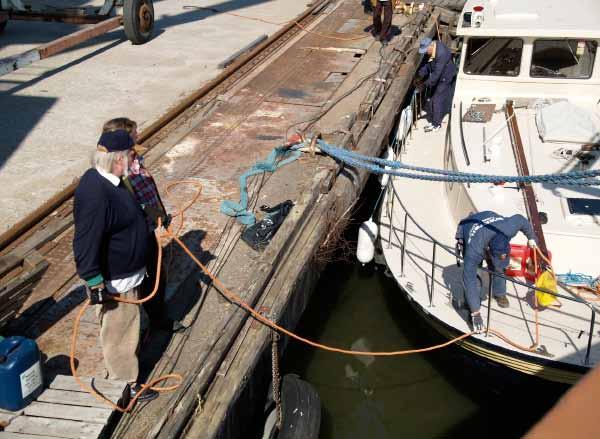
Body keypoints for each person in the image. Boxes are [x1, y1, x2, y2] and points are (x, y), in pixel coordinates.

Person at [73, 129, 158, 402]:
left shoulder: (112, 180)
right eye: (131, 155)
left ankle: (125, 375)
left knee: (126, 329)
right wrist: (94, 281)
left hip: (129, 272)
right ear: (118, 158)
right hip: (117, 281)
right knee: (119, 333)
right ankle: (125, 386)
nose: (135, 160)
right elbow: (85, 243)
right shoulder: (96, 193)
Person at [101, 118, 185, 334]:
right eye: (134, 138)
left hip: (147, 230)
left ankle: (158, 318)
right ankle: (143, 326)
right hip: (132, 239)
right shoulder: (114, 175)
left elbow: (146, 191)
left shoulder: (135, 162)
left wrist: (159, 214)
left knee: (156, 275)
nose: (138, 139)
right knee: (137, 285)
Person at [455, 211, 537, 333]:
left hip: (490, 225)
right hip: (470, 227)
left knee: (499, 268)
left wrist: (531, 237)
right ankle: (471, 304)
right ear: (488, 250)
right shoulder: (474, 249)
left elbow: (521, 220)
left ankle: (500, 294)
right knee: (475, 275)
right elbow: (469, 279)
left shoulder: (509, 229)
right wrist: (476, 313)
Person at [415, 37, 457, 132]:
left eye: (426, 51)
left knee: (437, 100)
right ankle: (436, 118)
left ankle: (436, 124)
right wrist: (420, 74)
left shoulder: (441, 54)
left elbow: (436, 75)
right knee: (435, 98)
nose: (425, 53)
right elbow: (428, 64)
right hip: (440, 74)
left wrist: (424, 85)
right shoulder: (432, 49)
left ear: (431, 46)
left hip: (445, 77)